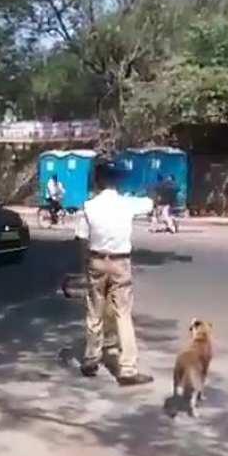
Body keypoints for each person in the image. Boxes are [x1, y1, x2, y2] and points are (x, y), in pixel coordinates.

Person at [79, 161, 154, 386]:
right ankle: (128, 369)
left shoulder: (89, 206)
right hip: (120, 263)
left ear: (97, 181)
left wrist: (86, 266)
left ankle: (91, 359)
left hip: (97, 260)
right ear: (116, 182)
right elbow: (149, 203)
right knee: (123, 314)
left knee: (94, 311)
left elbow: (82, 238)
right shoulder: (127, 204)